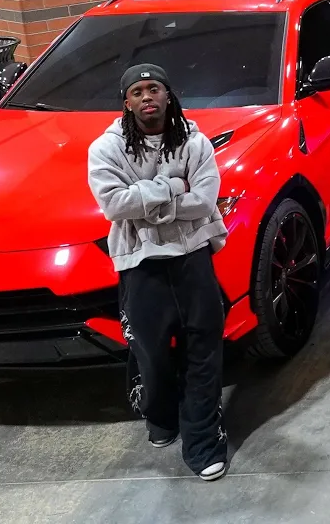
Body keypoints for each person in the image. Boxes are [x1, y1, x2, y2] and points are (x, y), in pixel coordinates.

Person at [87, 64, 231, 481]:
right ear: (126, 102)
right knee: (150, 352)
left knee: (203, 349)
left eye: (154, 89)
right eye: (137, 92)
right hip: (140, 262)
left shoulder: (194, 142)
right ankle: (162, 417)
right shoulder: (106, 149)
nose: (147, 97)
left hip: (192, 255)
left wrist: (145, 203)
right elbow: (114, 205)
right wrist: (173, 187)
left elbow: (204, 201)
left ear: (168, 95)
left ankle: (203, 443)